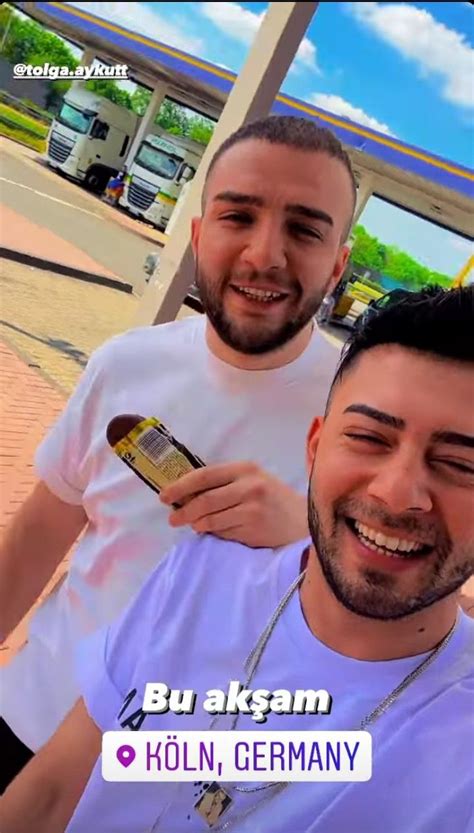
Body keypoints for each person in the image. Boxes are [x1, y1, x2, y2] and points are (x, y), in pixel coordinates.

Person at [2, 285, 472, 833]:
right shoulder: (201, 576)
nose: (396, 493)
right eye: (369, 437)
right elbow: (56, 790)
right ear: (315, 448)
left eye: (461, 464)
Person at [0, 116, 356, 787]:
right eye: (237, 216)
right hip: (31, 719)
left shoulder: (368, 420)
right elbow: (39, 535)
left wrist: (307, 538)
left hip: (179, 784)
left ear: (338, 262)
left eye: (305, 229)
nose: (264, 255)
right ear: (198, 234)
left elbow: (429, 623)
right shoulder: (124, 365)